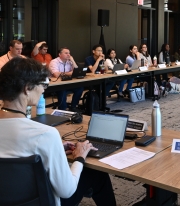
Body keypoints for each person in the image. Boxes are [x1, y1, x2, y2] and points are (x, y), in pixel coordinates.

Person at [0, 57, 116, 206]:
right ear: (27, 88)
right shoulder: (45, 134)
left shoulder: (44, 137)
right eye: (42, 84)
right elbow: (66, 191)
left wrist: (55, 149)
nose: (43, 89)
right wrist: (79, 158)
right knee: (96, 174)